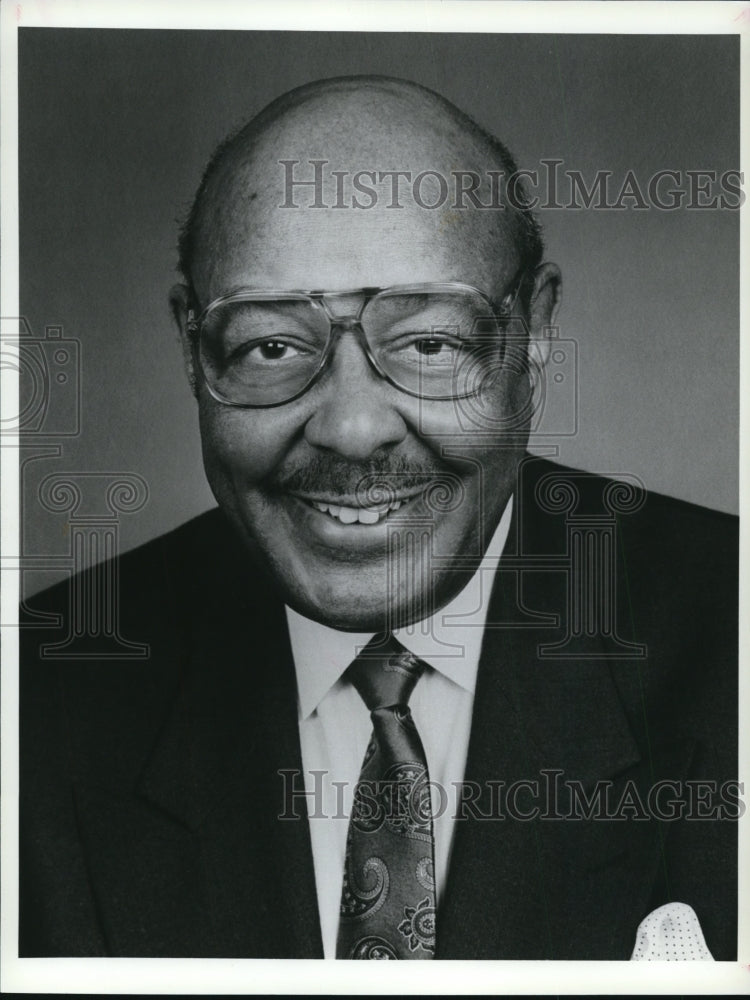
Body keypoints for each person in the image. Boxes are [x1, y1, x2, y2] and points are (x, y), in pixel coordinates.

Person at [19, 76, 738, 960]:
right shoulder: (37, 709)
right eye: (271, 346)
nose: (353, 430)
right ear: (191, 350)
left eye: (430, 342)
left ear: (536, 335)